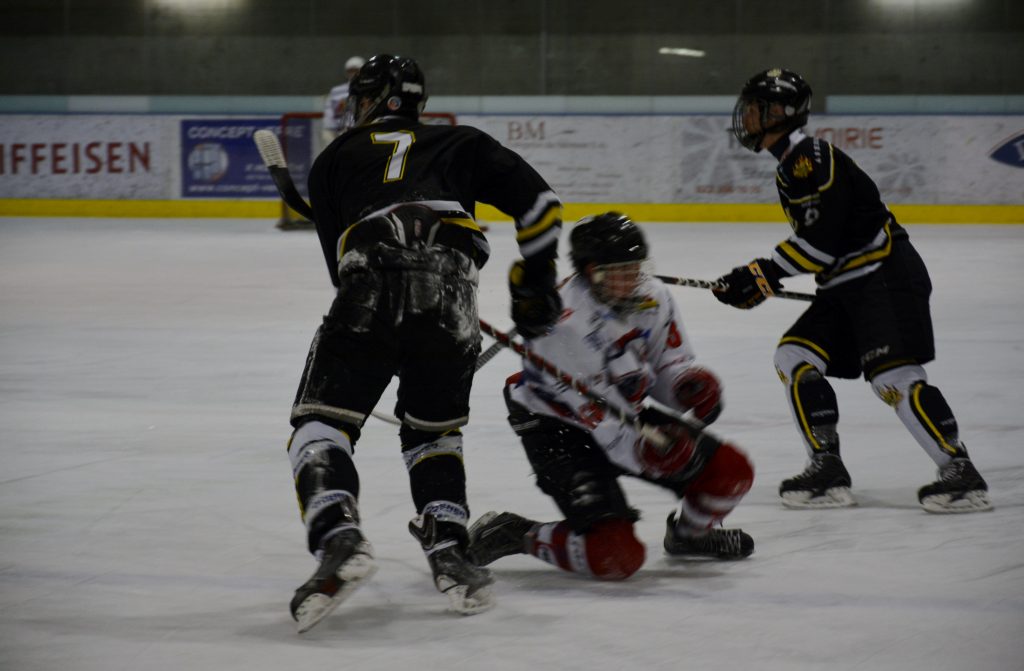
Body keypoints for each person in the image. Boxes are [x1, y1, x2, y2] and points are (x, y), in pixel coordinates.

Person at [285, 54, 563, 633]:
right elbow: (542, 207)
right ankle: (451, 550)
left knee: (321, 423)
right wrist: (534, 284)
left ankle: (339, 537)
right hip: (453, 294)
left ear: (373, 99)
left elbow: (342, 271)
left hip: (371, 281)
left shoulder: (334, 158)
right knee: (433, 433)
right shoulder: (461, 141)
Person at [713, 67, 991, 514]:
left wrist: (761, 274)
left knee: (893, 378)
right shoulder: (792, 165)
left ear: (780, 112)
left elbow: (821, 243)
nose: (744, 117)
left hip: (885, 275)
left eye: (754, 108)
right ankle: (826, 467)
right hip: (847, 284)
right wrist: (760, 277)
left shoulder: (812, 157)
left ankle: (960, 471)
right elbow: (823, 246)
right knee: (795, 356)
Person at [467, 213, 755, 582]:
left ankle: (690, 536)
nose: (633, 279)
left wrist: (685, 385)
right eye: (621, 271)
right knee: (616, 556)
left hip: (619, 414)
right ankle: (514, 533)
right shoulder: (564, 324)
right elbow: (597, 414)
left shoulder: (653, 297)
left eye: (636, 268)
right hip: (555, 425)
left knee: (730, 471)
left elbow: (667, 364)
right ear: (592, 272)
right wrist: (650, 451)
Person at [321, 55, 365, 142]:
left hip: (361, 128)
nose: (353, 74)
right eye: (350, 71)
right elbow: (329, 113)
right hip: (339, 129)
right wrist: (332, 128)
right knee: (326, 134)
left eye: (356, 70)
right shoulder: (336, 91)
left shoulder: (369, 89)